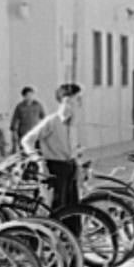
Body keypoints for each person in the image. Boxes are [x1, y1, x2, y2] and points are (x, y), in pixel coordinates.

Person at [21, 83, 83, 215]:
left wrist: (77, 164)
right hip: (55, 167)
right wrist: (38, 160)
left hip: (70, 166)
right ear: (67, 100)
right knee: (57, 209)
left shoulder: (72, 122)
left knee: (73, 210)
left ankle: (71, 235)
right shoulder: (52, 121)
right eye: (77, 99)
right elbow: (27, 140)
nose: (80, 103)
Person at [9, 86, 46, 153]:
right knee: (25, 153)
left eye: (32, 95)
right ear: (24, 96)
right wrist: (14, 133)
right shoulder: (19, 107)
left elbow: (44, 118)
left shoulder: (38, 105)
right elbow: (15, 120)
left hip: (36, 133)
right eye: (28, 95)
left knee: (37, 152)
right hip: (23, 133)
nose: (30, 97)